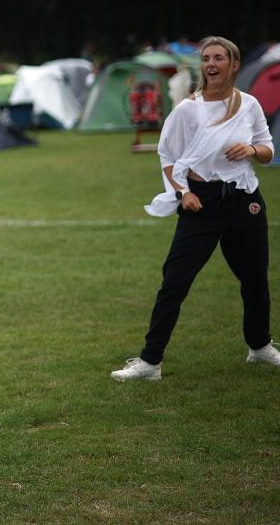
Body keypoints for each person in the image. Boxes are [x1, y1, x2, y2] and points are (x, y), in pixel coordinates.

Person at [112, 36, 277, 382]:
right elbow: (168, 157)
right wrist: (183, 192)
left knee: (255, 280)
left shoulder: (248, 105)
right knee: (175, 281)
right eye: (206, 59)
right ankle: (150, 363)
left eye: (219, 58)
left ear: (234, 65)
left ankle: (260, 347)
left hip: (244, 199)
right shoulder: (188, 109)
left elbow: (267, 150)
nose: (211, 64)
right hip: (200, 202)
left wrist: (251, 150)